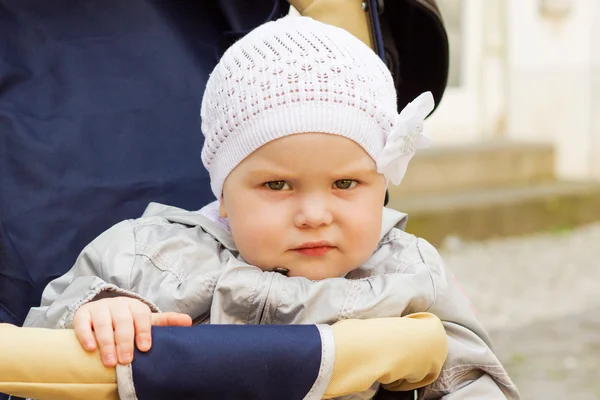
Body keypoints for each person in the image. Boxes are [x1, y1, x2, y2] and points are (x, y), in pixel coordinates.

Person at [23, 15, 519, 399]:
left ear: (382, 182)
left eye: (345, 182)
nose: (314, 214)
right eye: (278, 185)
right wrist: (99, 310)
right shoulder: (147, 255)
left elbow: (476, 377)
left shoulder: (409, 272)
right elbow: (37, 349)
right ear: (223, 191)